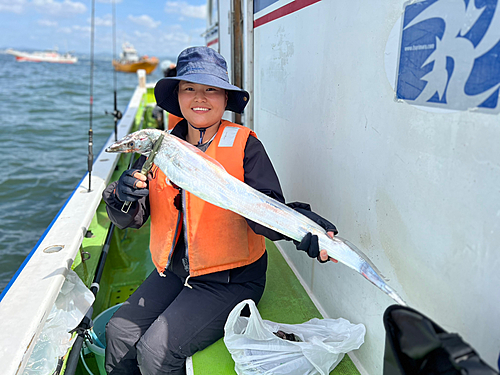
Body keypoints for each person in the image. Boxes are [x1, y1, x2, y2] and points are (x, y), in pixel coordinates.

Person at [102, 46, 338, 375]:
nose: (200, 98)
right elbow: (133, 217)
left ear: (225, 98)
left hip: (231, 280)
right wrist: (120, 195)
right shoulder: (160, 145)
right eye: (190, 88)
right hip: (174, 270)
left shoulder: (246, 146)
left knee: (155, 352)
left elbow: (268, 213)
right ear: (178, 96)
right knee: (119, 332)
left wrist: (300, 227)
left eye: (211, 89)